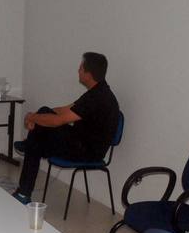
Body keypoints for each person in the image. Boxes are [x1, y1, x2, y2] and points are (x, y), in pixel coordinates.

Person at [11, 52, 120, 204]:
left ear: (88, 74)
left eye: (81, 68)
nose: (78, 71)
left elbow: (58, 121)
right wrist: (35, 116)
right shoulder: (98, 91)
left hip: (87, 152)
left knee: (36, 141)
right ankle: (30, 145)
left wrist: (32, 117)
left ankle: (24, 192)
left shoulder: (97, 98)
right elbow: (65, 110)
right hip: (81, 141)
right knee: (44, 112)